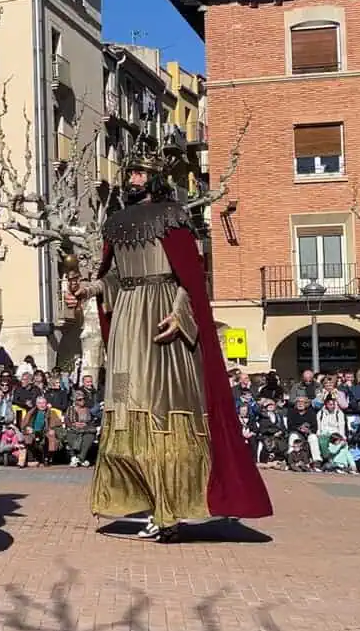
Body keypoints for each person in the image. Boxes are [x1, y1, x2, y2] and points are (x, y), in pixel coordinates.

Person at [66, 146, 272, 541]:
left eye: (141, 173)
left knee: (165, 413)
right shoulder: (116, 223)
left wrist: (180, 312)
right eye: (132, 173)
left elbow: (190, 277)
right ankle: (146, 503)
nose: (134, 179)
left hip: (164, 321)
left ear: (156, 177)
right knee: (124, 405)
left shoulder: (173, 218)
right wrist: (87, 289)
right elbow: (111, 277)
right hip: (127, 321)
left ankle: (171, 510)